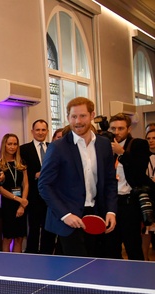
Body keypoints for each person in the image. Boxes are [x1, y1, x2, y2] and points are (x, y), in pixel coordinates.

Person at [38, 97, 118, 257]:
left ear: (92, 115)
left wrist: (111, 211)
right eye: (73, 116)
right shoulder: (57, 147)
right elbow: (44, 185)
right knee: (76, 265)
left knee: (94, 263)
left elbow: (110, 181)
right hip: (68, 218)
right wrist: (65, 215)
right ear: (68, 117)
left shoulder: (103, 145)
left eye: (82, 116)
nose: (78, 121)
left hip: (96, 213)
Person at [103, 113, 152, 260]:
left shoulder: (138, 144)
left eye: (121, 128)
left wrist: (122, 153)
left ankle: (137, 273)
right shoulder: (105, 146)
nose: (116, 132)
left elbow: (139, 171)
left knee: (133, 245)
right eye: (113, 128)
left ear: (129, 129)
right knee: (111, 245)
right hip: (111, 202)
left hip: (129, 202)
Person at [20, 119, 56, 254]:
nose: (40, 133)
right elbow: (20, 171)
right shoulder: (24, 149)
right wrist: (34, 175)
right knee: (34, 227)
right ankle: (32, 254)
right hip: (33, 195)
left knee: (50, 227)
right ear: (32, 131)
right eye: (38, 130)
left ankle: (48, 253)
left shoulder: (53, 147)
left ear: (47, 131)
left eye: (43, 130)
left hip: (52, 195)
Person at [0, 133, 29, 253]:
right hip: (8, 204)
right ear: (4, 145)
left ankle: (17, 263)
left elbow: (25, 184)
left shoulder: (21, 162)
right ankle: (5, 263)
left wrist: (22, 204)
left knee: (19, 237)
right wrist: (19, 200)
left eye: (15, 144)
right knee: (7, 238)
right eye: (9, 144)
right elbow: (0, 189)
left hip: (21, 204)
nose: (12, 147)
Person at [142, 123, 155, 260]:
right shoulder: (143, 156)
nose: (151, 141)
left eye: (154, 138)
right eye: (148, 138)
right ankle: (145, 260)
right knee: (146, 230)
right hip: (148, 196)